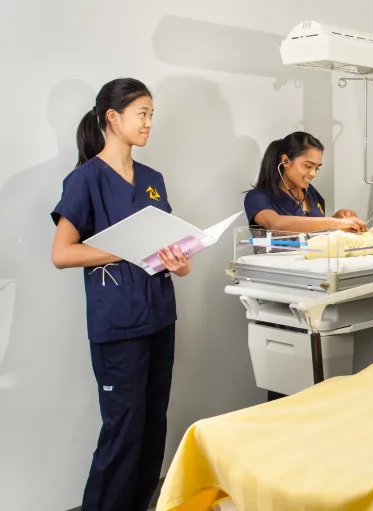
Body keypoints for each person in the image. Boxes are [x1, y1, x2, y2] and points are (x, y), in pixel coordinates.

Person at [50, 78, 190, 511]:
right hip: (118, 325)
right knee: (123, 430)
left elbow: (171, 250)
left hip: (159, 316)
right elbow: (62, 253)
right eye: (142, 114)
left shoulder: (152, 179)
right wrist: (128, 248)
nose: (149, 123)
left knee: (152, 426)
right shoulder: (85, 179)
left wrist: (180, 262)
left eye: (152, 115)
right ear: (113, 118)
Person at [245, 131, 367, 234]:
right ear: (285, 160)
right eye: (308, 166)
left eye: (317, 168)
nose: (313, 173)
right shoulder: (257, 197)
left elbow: (314, 232)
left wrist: (339, 219)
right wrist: (334, 222)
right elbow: (276, 224)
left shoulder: (311, 192)